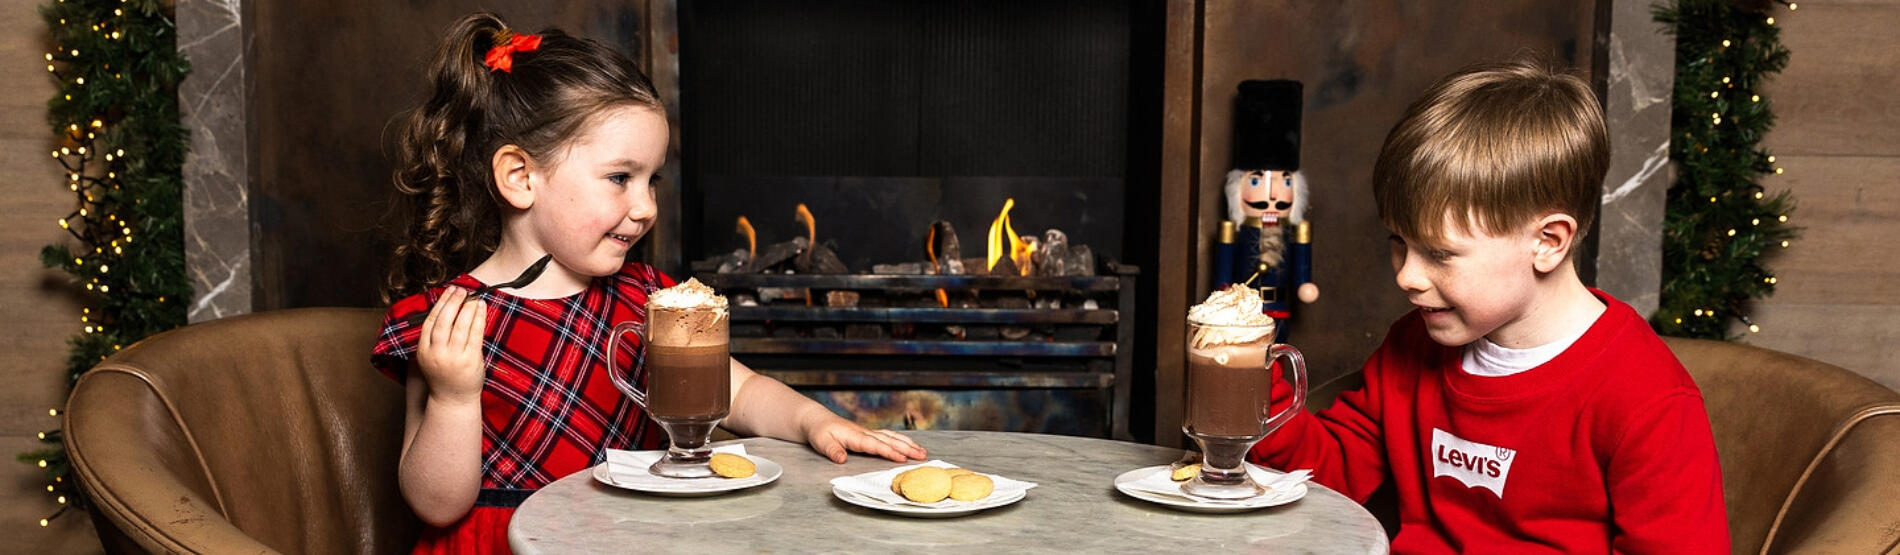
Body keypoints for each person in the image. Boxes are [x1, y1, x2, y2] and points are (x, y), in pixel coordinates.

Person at [371, 13, 926, 553]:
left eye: (651, 180)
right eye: (620, 178)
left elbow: (740, 391)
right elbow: (436, 505)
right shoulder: (450, 319)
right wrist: (453, 397)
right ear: (521, 177)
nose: (645, 208)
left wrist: (816, 421)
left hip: (629, 534)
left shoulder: (648, 298)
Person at [1248, 59, 1729, 553]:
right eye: (1399, 243)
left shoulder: (1647, 402)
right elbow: (1326, 474)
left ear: (1548, 241)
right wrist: (1251, 381)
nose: (1406, 276)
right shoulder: (1412, 344)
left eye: (1439, 253)